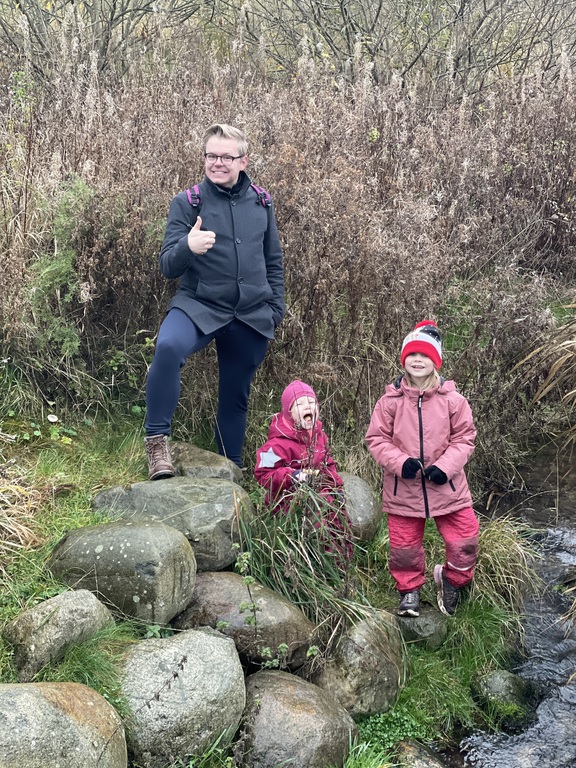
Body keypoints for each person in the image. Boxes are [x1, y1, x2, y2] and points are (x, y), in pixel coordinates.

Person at [144, 124, 285, 479]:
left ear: (243, 160)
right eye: (211, 155)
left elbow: (273, 261)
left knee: (234, 397)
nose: (217, 163)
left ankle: (231, 473)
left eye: (226, 156)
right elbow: (167, 266)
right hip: (199, 305)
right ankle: (157, 445)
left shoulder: (262, 202)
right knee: (168, 346)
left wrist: (275, 310)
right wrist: (187, 247)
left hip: (251, 314)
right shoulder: (187, 202)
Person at [365, 320, 479, 617]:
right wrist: (400, 462)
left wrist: (445, 466)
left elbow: (464, 439)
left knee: (465, 539)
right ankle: (409, 591)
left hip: (448, 487)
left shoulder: (453, 401)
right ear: (404, 359)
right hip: (404, 488)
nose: (418, 360)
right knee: (404, 547)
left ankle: (452, 581)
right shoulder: (389, 402)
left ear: (436, 361)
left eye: (426, 355)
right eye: (413, 355)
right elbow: (376, 439)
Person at [255, 380, 353, 564]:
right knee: (318, 524)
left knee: (339, 517)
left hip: (319, 494)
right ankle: (316, 566)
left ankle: (341, 567)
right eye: (299, 404)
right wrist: (292, 476)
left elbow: (328, 465)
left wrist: (337, 488)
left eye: (311, 402)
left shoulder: (319, 436)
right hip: (288, 502)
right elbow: (263, 474)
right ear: (288, 413)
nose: (307, 406)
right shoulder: (276, 444)